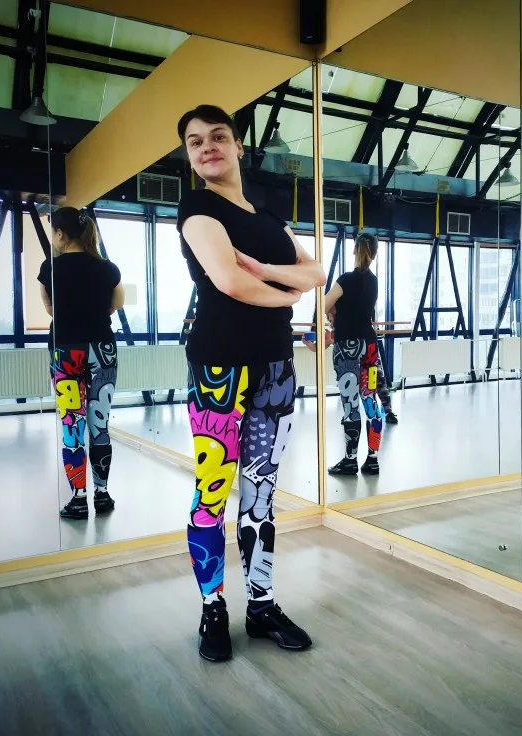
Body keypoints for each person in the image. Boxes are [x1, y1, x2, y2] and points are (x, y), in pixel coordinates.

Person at [176, 104, 325, 662]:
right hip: (219, 366)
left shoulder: (267, 217)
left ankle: (260, 606)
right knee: (212, 491)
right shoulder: (197, 210)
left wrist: (266, 271)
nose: (207, 147)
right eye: (195, 142)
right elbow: (228, 283)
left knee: (261, 493)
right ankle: (212, 606)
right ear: (189, 156)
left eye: (218, 136)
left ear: (238, 146)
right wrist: (288, 295)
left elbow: (316, 272)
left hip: (275, 368)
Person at [38, 207, 123, 520]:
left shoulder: (50, 267)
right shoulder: (107, 268)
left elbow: (50, 308)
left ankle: (78, 498)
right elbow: (115, 304)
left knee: (72, 425)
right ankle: (102, 494)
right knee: (100, 425)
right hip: (102, 348)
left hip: (65, 349)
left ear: (61, 234)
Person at [324, 233, 385, 476]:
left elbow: (323, 304)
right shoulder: (374, 282)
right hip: (369, 346)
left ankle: (350, 460)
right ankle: (373, 459)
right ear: (374, 253)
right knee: (370, 400)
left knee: (351, 405)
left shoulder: (344, 280)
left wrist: (333, 310)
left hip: (346, 347)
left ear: (354, 251)